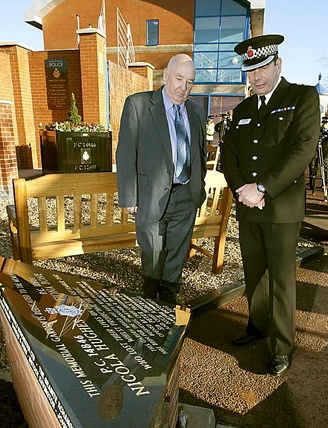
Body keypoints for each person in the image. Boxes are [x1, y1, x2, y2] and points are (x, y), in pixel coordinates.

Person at [221, 34, 320, 376]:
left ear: (278, 64)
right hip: (248, 206)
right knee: (254, 274)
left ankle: (281, 346)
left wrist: (262, 187)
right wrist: (242, 190)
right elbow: (229, 154)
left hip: (280, 207)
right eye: (251, 70)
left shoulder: (302, 97)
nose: (257, 76)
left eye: (263, 67)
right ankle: (257, 326)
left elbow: (304, 149)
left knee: (280, 279)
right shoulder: (243, 109)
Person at [116, 54, 207, 305]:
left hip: (186, 196)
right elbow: (125, 152)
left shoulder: (197, 113)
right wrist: (130, 196)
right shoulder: (138, 105)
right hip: (150, 196)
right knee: (153, 253)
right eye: (179, 78)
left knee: (177, 252)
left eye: (190, 82)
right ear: (166, 74)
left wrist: (199, 189)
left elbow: (199, 153)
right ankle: (149, 301)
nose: (183, 87)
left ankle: (167, 300)